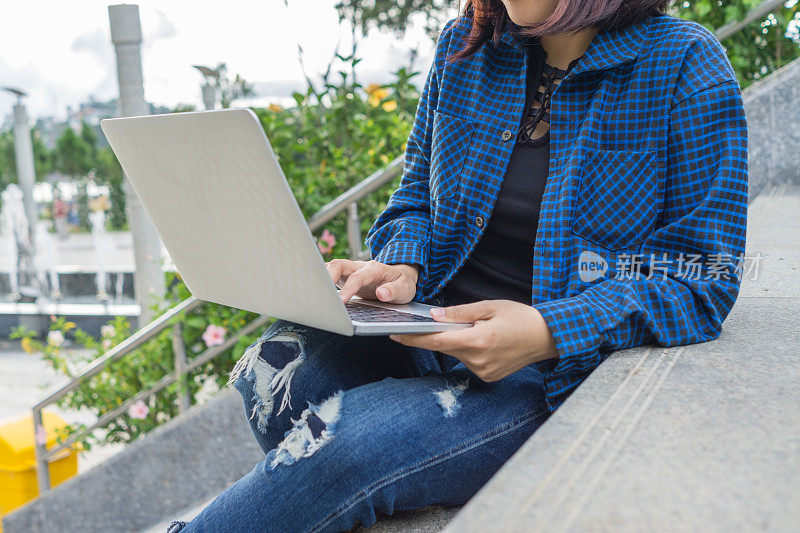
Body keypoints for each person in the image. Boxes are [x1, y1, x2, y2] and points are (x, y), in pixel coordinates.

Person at [168, 0, 748, 531]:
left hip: (549, 371)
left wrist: (547, 331)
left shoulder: (683, 65)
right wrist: (400, 266)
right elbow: (413, 199)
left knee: (343, 444)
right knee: (273, 368)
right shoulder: (466, 47)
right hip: (428, 327)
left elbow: (705, 276)